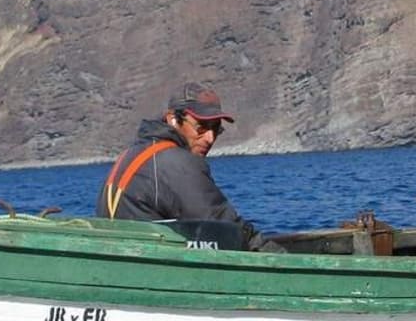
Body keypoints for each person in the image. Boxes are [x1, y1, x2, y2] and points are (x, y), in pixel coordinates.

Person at [96, 81, 281, 251]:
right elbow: (225, 227)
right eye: (201, 127)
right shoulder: (176, 163)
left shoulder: (131, 155)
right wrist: (278, 257)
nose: (209, 138)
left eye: (215, 129)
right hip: (155, 269)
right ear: (173, 120)